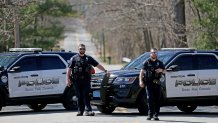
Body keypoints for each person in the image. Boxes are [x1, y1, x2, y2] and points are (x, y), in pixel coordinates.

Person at [66, 43, 108, 116]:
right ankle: (80, 111)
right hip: (76, 81)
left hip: (86, 80)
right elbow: (69, 70)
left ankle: (88, 110)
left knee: (86, 95)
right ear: (78, 49)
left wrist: (105, 70)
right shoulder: (74, 58)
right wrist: (68, 79)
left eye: (83, 49)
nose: (82, 50)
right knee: (79, 95)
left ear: (85, 50)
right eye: (80, 49)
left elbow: (98, 65)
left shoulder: (88, 58)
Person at [139, 48, 165, 121]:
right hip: (149, 83)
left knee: (157, 99)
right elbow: (141, 72)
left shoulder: (160, 63)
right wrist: (140, 81)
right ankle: (150, 114)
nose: (154, 54)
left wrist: (161, 70)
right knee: (150, 98)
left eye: (155, 52)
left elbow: (165, 71)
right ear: (150, 53)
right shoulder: (146, 62)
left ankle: (155, 115)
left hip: (157, 83)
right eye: (153, 52)